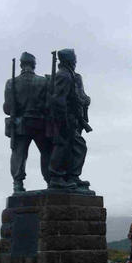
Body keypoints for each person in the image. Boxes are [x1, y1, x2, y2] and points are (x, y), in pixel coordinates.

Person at [3, 52, 52, 192]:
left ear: (21, 64)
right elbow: (48, 105)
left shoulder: (11, 82)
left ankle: (18, 184)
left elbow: (7, 108)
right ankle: (50, 181)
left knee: (18, 154)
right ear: (34, 65)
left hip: (20, 125)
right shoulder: (44, 81)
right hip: (40, 123)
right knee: (47, 152)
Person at [47, 48, 92, 191]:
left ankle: (71, 176)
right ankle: (56, 177)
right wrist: (63, 121)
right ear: (69, 60)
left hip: (71, 119)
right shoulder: (64, 76)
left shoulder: (69, 75)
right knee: (68, 146)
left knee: (72, 148)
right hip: (64, 120)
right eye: (74, 58)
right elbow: (58, 100)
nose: (76, 60)